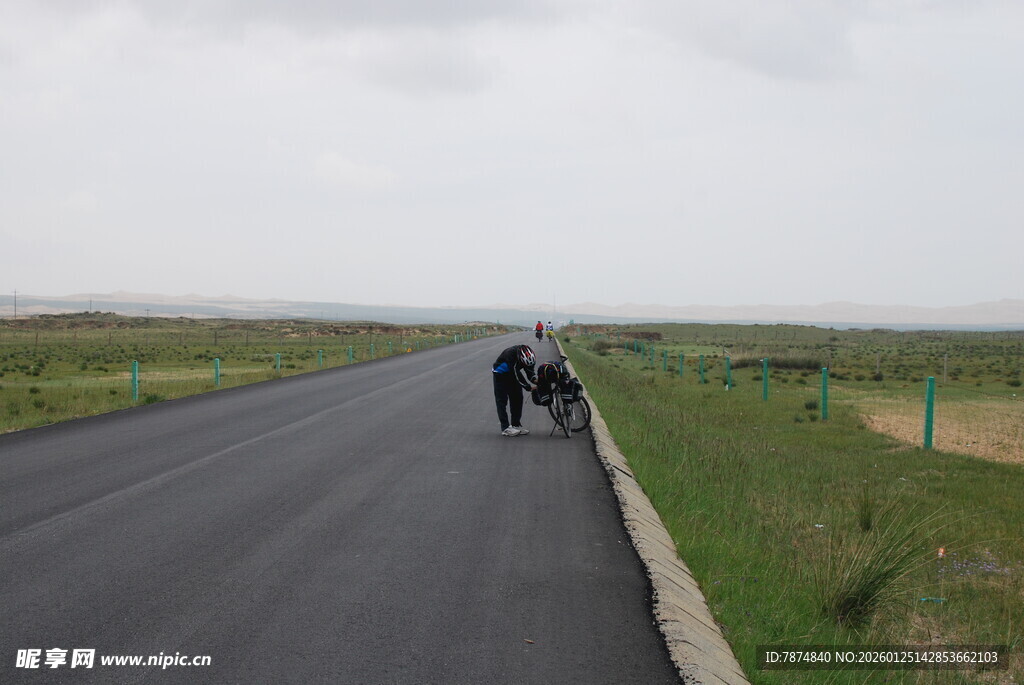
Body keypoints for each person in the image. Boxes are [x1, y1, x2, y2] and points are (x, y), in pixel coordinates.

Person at [492, 344, 537, 436]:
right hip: (500, 373)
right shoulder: (510, 355)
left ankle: (515, 425)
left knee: (518, 398)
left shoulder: (528, 356)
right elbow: (517, 375)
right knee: (502, 400)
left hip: (513, 372)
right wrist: (528, 387)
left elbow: (530, 371)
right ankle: (505, 428)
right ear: (520, 358)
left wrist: (536, 381)